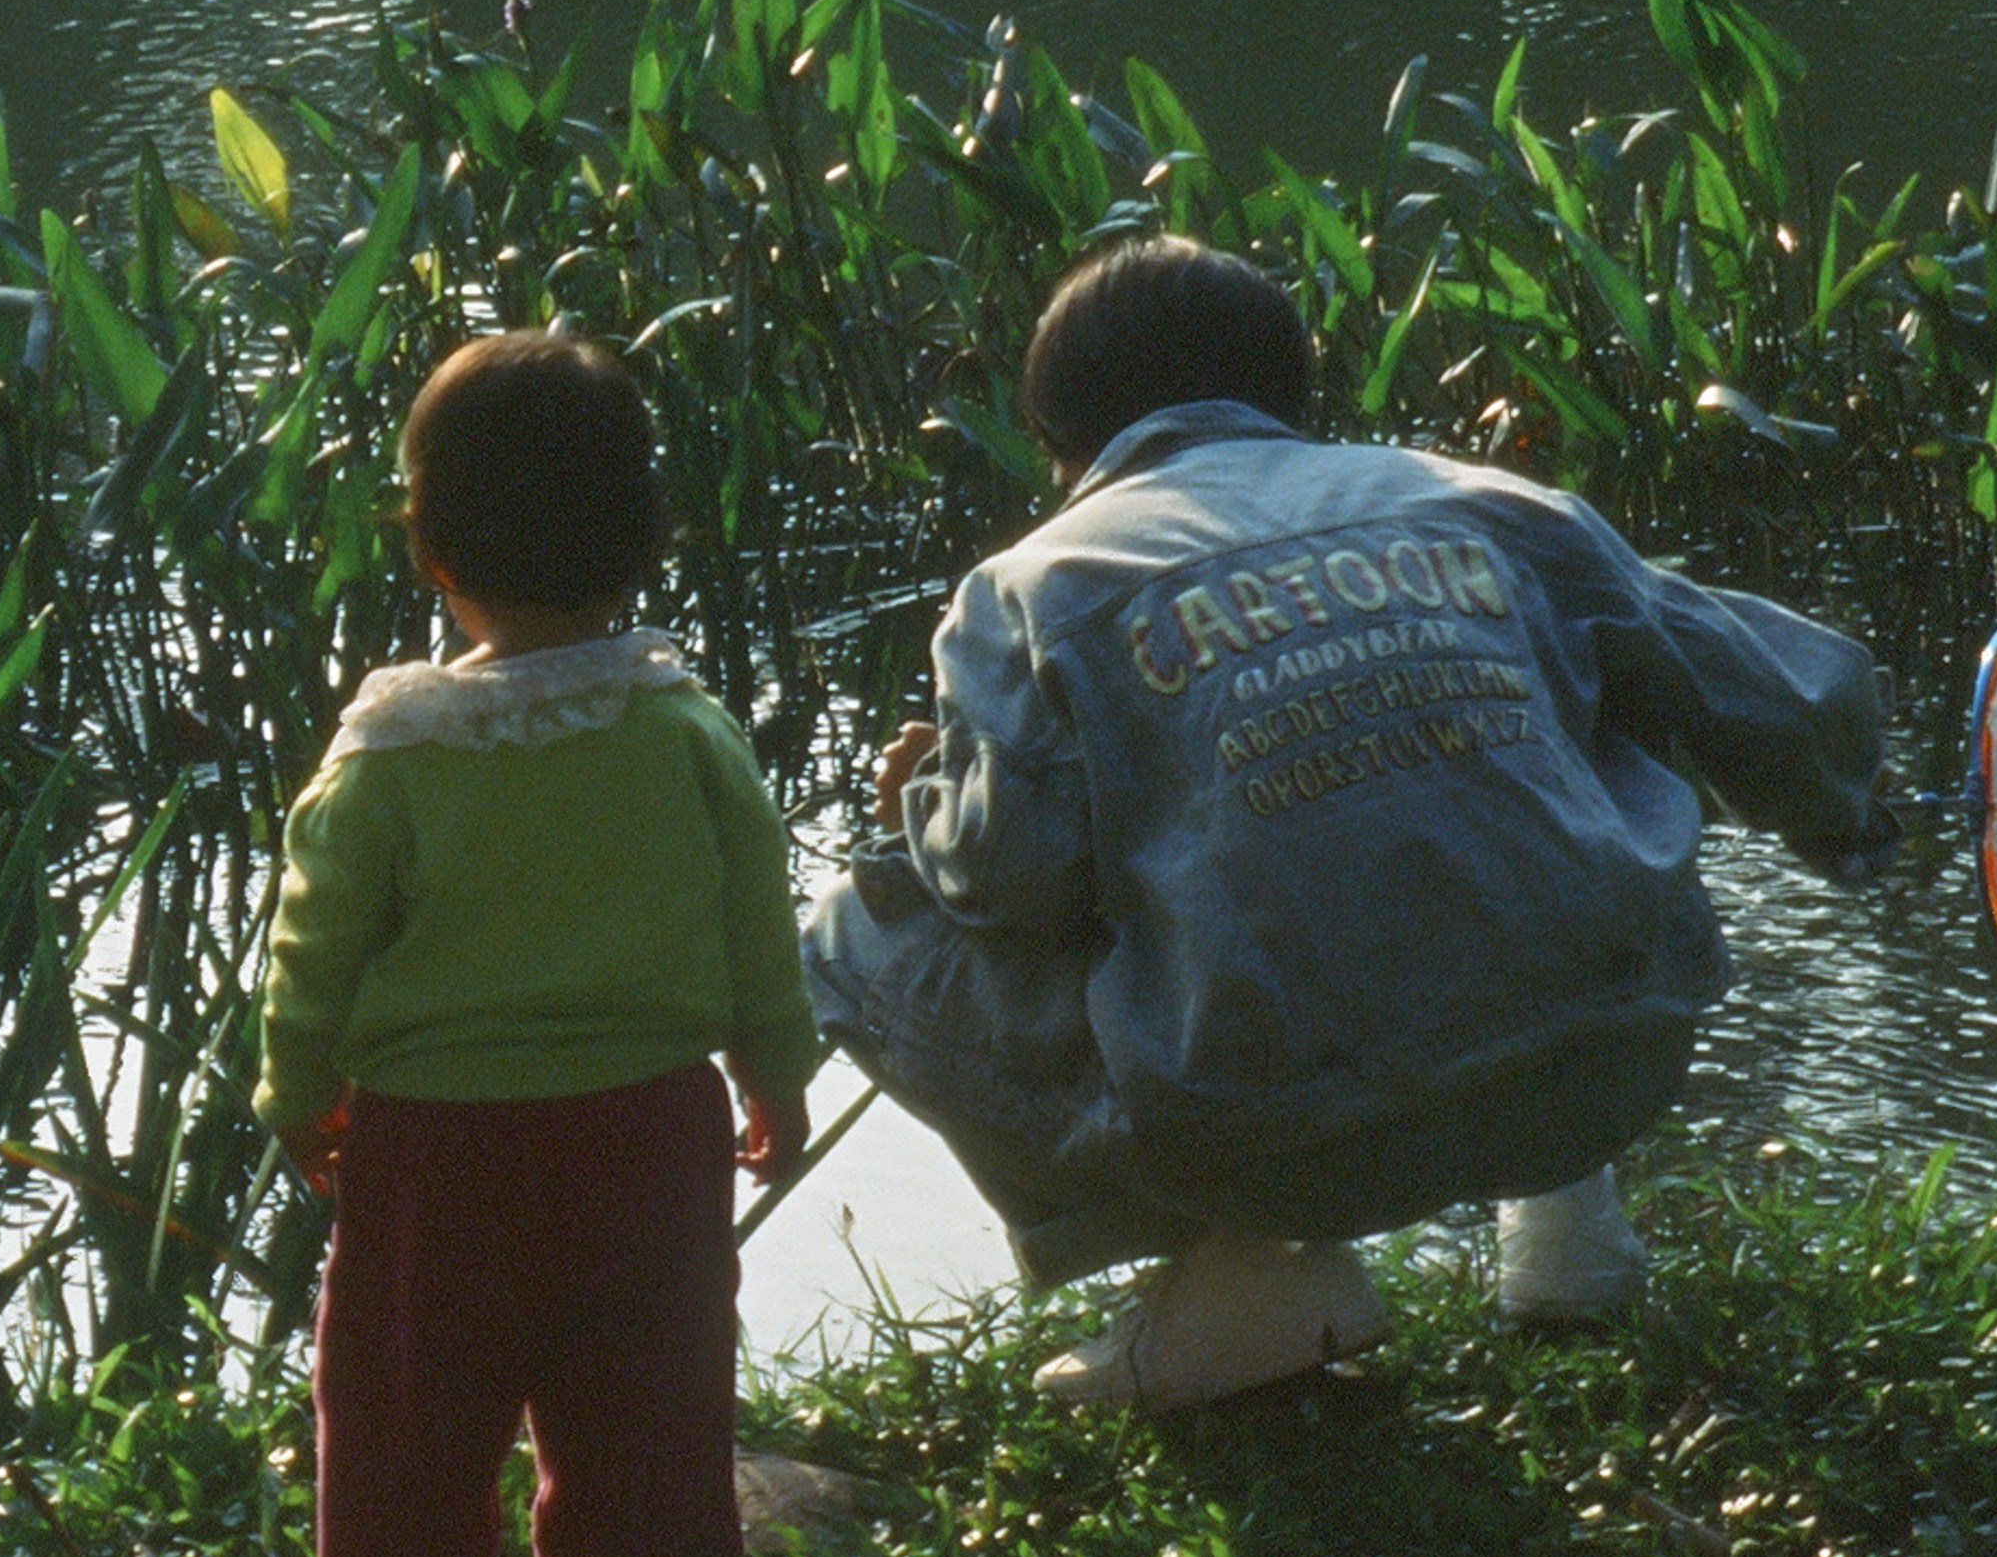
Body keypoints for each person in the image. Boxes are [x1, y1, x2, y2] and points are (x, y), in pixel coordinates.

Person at [806, 237, 1895, 1411]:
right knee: (1535, 731)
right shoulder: (1489, 500)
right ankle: (1571, 1235)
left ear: (1061, 442)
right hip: (1612, 1057)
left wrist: (927, 795)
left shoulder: (1030, 585)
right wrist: (1852, 826)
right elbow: (1789, 695)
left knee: (843, 940)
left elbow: (1000, 877)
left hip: (1285, 1141)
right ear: (1294, 393)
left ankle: (1232, 1274)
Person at [261, 329, 821, 1557]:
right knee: (649, 1396)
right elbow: (759, 907)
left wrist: (297, 1089)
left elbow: (312, 938)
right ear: (642, 538)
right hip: (646, 1130)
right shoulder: (682, 725)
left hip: (434, 1154)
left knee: (405, 1413)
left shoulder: (391, 752)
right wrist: (776, 1071)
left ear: (434, 553)